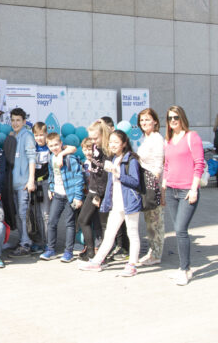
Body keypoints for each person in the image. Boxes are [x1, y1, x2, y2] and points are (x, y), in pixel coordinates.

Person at [79, 130, 142, 277]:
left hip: (130, 202)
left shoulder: (131, 159)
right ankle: (97, 262)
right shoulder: (113, 159)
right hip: (116, 203)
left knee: (132, 233)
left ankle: (132, 265)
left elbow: (135, 182)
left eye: (116, 142)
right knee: (109, 234)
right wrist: (107, 201)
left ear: (124, 143)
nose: (112, 145)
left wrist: (117, 173)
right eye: (111, 142)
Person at [162, 106, 204, 286]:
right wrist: (164, 185)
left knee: (180, 230)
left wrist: (194, 189)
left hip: (187, 191)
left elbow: (199, 164)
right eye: (170, 118)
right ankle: (184, 268)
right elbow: (166, 165)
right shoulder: (169, 140)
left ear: (182, 118)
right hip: (171, 190)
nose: (173, 120)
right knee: (179, 230)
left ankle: (185, 269)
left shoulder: (191, 137)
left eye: (176, 117)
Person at [39, 133, 84, 263]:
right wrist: (51, 187)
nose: (54, 148)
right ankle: (50, 249)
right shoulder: (51, 158)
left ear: (61, 144)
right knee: (52, 222)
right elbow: (52, 174)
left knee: (69, 223)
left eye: (56, 145)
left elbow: (78, 178)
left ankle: (68, 252)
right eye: (51, 146)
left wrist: (78, 197)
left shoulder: (70, 158)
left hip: (70, 195)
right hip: (58, 195)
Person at [2, 108, 36, 257]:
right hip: (12, 185)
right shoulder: (12, 136)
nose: (15, 123)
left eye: (18, 120)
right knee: (17, 215)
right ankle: (23, 240)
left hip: (23, 184)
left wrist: (31, 180)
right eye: (13, 120)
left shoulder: (27, 136)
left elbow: (32, 159)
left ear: (24, 122)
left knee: (23, 214)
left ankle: (26, 244)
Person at [76, 120, 110, 261]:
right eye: (91, 138)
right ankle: (90, 251)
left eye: (95, 138)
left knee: (103, 225)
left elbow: (105, 177)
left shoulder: (107, 151)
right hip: (93, 189)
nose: (93, 141)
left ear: (103, 135)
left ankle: (103, 254)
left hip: (102, 193)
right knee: (83, 220)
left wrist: (99, 195)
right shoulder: (96, 148)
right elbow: (95, 173)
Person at [136, 109, 165, 266]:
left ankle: (156, 254)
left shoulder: (156, 138)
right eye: (142, 120)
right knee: (149, 220)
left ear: (155, 121)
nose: (144, 123)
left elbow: (159, 165)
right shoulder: (146, 138)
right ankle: (152, 251)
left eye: (147, 119)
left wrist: (155, 187)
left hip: (153, 184)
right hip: (145, 183)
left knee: (156, 220)